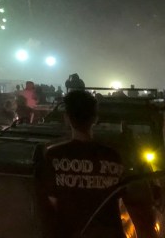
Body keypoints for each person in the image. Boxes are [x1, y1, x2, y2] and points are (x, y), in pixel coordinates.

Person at [40, 89, 130, 238]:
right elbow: (122, 200)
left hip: (70, 233)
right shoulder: (112, 156)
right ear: (95, 119)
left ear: (67, 118)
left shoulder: (54, 155)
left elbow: (51, 201)